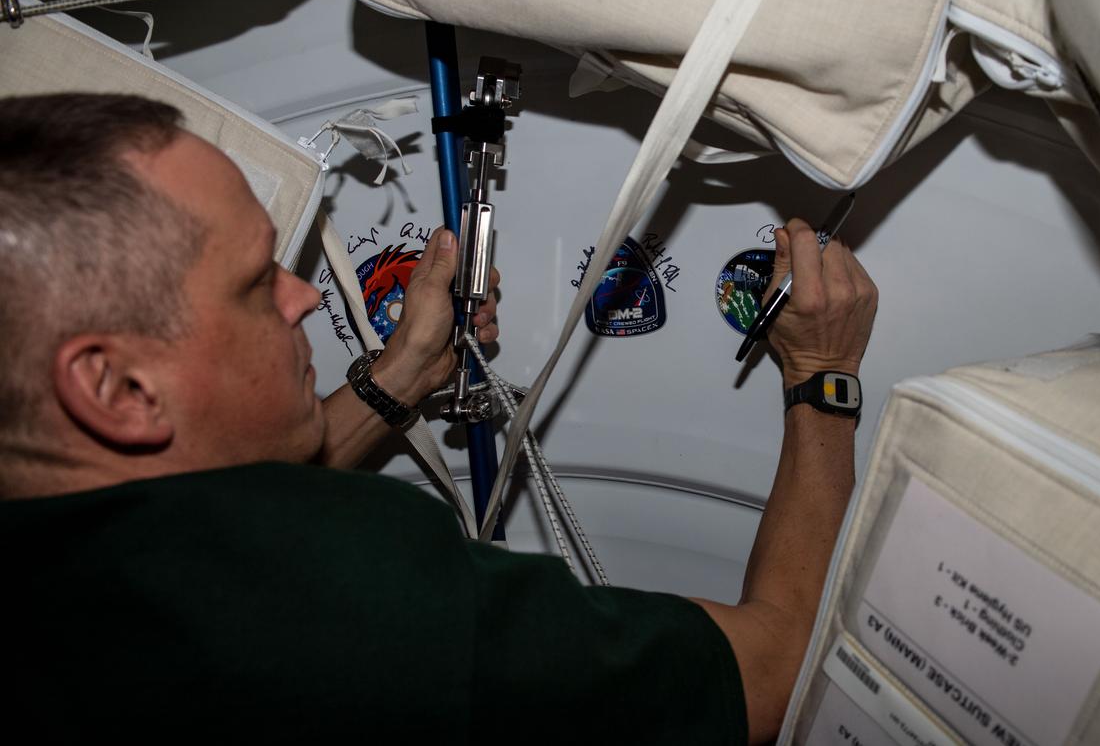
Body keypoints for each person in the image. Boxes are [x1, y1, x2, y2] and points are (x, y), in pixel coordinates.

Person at [0, 93, 878, 743]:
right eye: (254, 283)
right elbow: (774, 668)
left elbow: (195, 517)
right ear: (114, 388)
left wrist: (401, 374)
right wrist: (821, 377)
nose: (305, 296)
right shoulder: (363, 602)